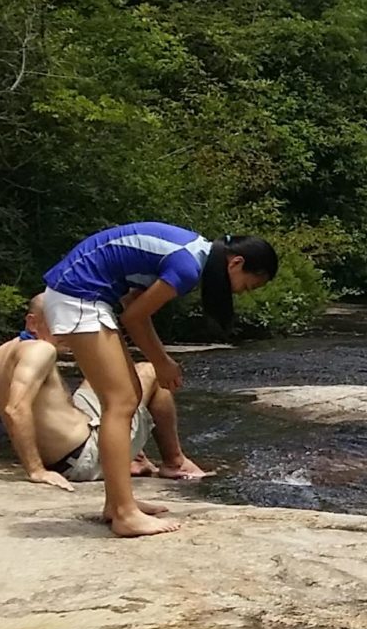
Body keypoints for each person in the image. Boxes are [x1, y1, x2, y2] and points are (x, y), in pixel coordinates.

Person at [40, 223, 276, 536]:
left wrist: (160, 359)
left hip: (81, 294)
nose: (239, 292)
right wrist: (161, 363)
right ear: (236, 263)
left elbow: (133, 305)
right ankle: (124, 515)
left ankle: (117, 503)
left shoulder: (193, 252)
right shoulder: (188, 266)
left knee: (130, 393)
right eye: (246, 285)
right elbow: (133, 317)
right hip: (79, 296)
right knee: (120, 402)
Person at [0, 294, 205, 489]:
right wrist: (36, 470)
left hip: (74, 447)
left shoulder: (4, 351)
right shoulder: (41, 350)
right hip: (82, 459)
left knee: (103, 379)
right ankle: (174, 463)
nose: (67, 332)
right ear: (32, 322)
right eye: (58, 324)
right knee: (150, 372)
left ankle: (133, 457)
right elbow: (15, 409)